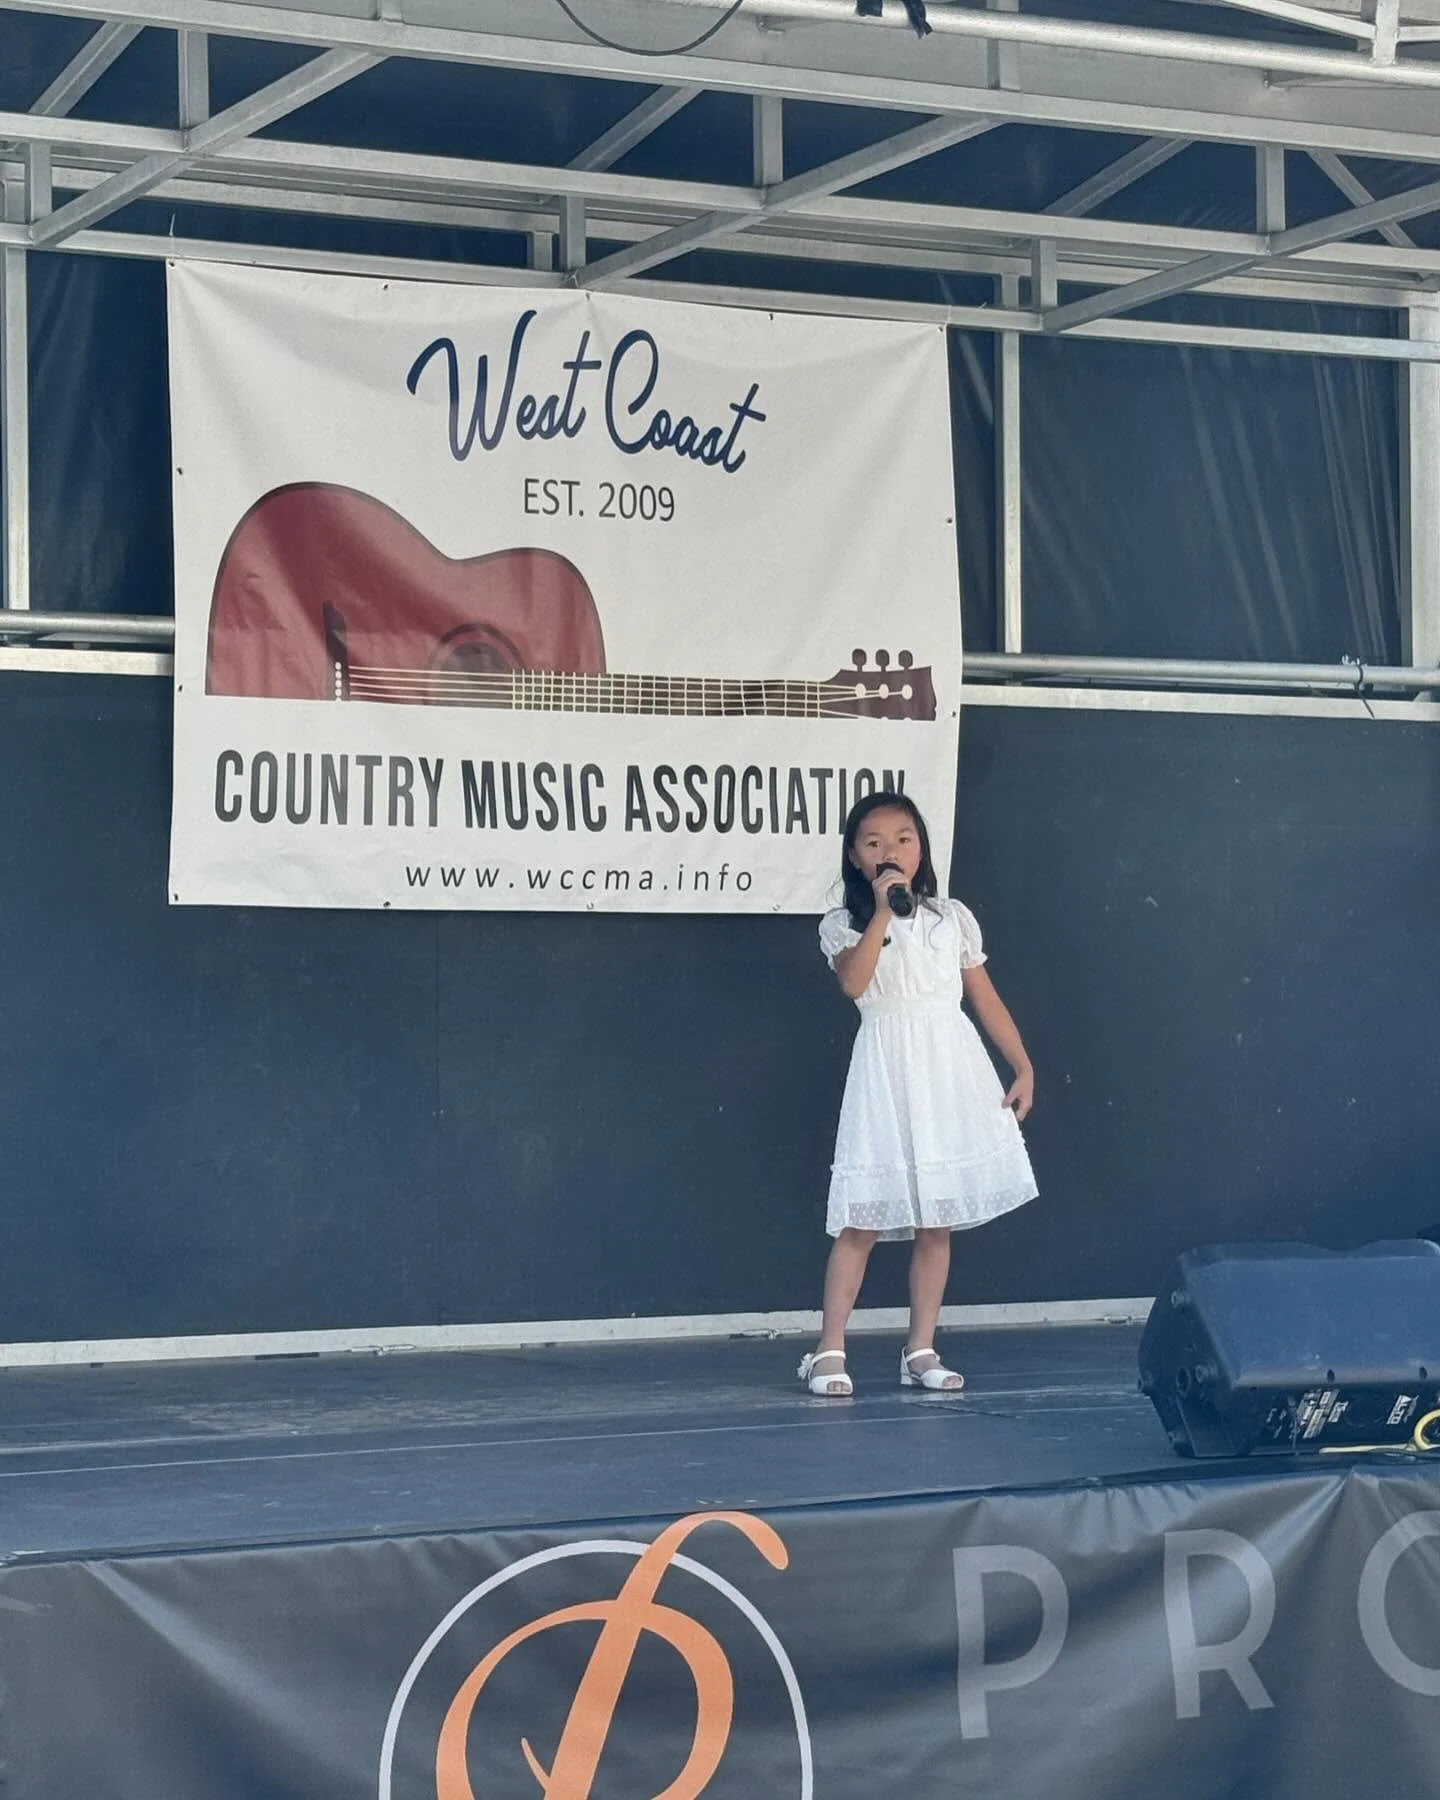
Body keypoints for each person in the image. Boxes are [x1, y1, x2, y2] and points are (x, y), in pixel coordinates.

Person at [798, 791, 1038, 1397]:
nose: (890, 851)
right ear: (855, 857)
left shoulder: (949, 918)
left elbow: (984, 997)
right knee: (862, 1219)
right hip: (885, 1068)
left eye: (903, 838)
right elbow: (854, 984)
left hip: (948, 1068)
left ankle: (921, 1347)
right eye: (873, 842)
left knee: (938, 1220)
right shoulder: (843, 924)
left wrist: (1023, 1065)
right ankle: (829, 1348)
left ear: (921, 846)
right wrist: (882, 911)